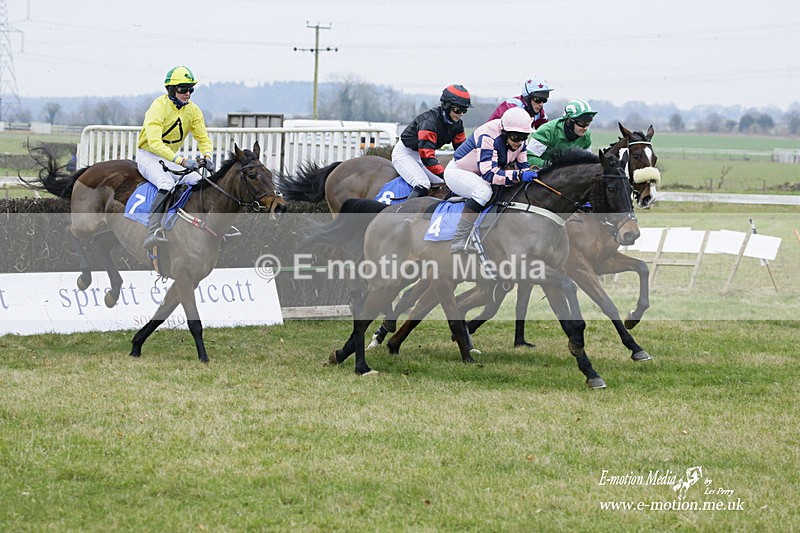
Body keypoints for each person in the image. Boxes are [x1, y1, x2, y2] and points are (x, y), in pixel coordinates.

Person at [137, 65, 215, 251]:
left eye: (190, 89)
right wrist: (181, 161)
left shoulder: (193, 110)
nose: (187, 93)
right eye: (183, 89)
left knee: (200, 182)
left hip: (170, 157)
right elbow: (155, 143)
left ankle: (211, 227)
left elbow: (203, 138)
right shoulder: (158, 107)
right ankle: (153, 231)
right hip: (148, 155)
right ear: (171, 90)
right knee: (166, 183)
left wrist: (207, 155)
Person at [444, 107, 537, 253]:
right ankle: (459, 239)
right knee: (483, 192)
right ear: (505, 132)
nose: (519, 142)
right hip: (458, 172)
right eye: (515, 137)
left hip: (480, 174)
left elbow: (523, 167)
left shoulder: (520, 140)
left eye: (524, 137)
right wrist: (518, 176)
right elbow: (490, 174)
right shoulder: (488, 135)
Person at [392, 84, 470, 199]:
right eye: (457, 109)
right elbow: (427, 157)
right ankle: (404, 213)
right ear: (446, 106)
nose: (461, 114)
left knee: (445, 184)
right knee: (423, 184)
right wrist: (446, 174)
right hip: (405, 154)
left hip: (421, 156)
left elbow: (463, 151)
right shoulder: (429, 122)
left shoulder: (457, 124)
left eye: (464, 110)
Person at [527, 99, 596, 169]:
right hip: (543, 174)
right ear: (569, 121)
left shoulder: (586, 135)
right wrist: (554, 166)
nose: (585, 128)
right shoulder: (547, 131)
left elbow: (589, 161)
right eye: (582, 123)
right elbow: (529, 157)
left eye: (588, 123)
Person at [488, 75, 553, 130]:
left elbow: (545, 135)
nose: (541, 104)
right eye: (537, 99)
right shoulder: (511, 106)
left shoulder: (540, 114)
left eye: (544, 100)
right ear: (527, 98)